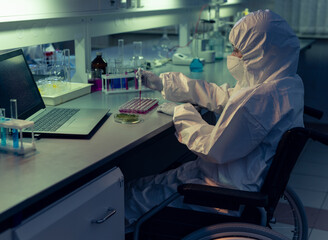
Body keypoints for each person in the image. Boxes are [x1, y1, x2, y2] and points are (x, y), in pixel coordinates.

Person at [125, 9, 304, 227]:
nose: (233, 56)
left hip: (221, 193)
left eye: (238, 50)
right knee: (138, 186)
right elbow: (225, 96)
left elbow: (212, 148)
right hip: (230, 176)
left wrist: (182, 113)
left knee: (128, 200)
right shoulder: (283, 84)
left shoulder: (260, 100)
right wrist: (164, 83)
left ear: (259, 54)